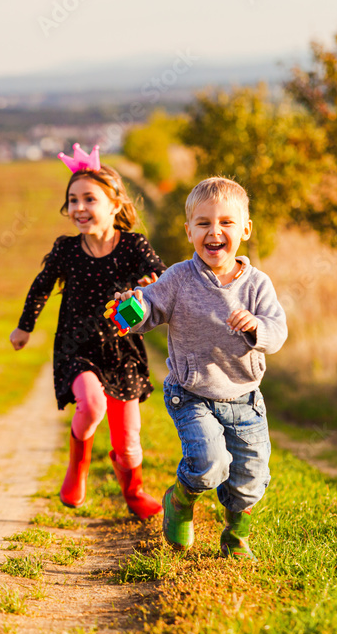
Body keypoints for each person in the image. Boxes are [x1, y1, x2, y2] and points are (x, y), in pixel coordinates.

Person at [113, 176, 287, 560]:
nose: (215, 231)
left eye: (226, 222)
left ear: (246, 228)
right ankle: (180, 500)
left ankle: (235, 536)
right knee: (209, 465)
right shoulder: (178, 278)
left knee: (250, 479)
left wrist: (257, 326)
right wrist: (131, 309)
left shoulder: (258, 285)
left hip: (244, 399)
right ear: (188, 229)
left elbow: (277, 332)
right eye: (204, 223)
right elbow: (149, 308)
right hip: (191, 393)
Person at [10, 144, 165, 519]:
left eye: (89, 199)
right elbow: (41, 287)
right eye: (73, 200)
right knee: (91, 405)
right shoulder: (66, 250)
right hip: (76, 348)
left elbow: (162, 275)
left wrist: (153, 286)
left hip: (123, 350)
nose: (79, 208)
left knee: (128, 443)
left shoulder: (132, 245)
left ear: (114, 204)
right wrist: (24, 327)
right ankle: (76, 466)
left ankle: (134, 490)